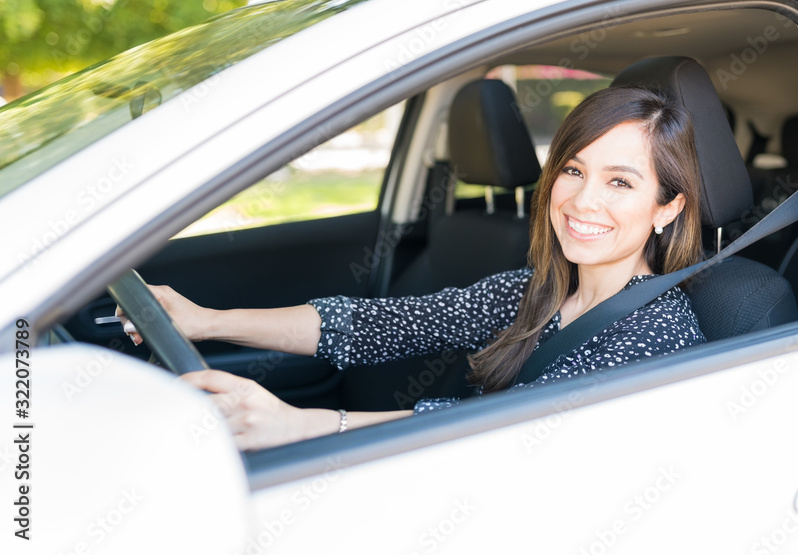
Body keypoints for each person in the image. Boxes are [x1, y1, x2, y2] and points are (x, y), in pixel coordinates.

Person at [121, 85, 707, 450]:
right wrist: (206, 319)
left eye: (621, 183)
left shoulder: (656, 335)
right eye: (573, 171)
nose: (583, 201)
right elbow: (377, 326)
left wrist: (302, 425)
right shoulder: (536, 291)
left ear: (668, 207)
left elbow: (498, 428)